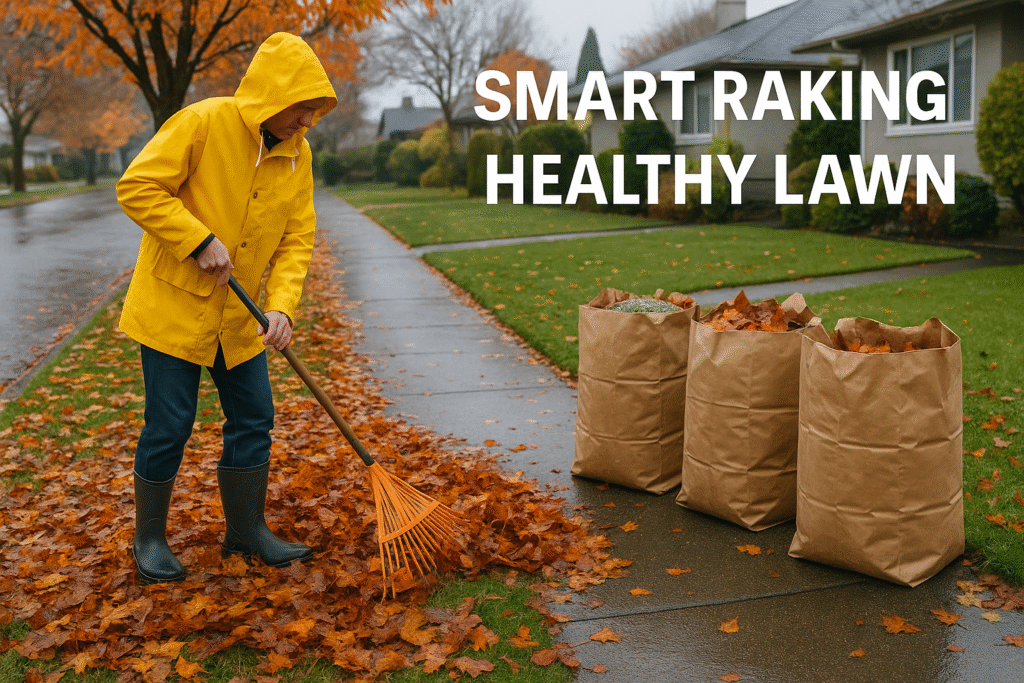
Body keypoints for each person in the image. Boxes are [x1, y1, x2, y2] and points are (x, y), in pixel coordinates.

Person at [116, 32, 337, 584]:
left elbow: (297, 238)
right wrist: (196, 239)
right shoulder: (203, 122)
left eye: (315, 111)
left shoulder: (296, 154)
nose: (307, 121)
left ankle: (246, 531)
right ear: (273, 95)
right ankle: (149, 539)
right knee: (170, 423)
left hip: (241, 317)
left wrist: (283, 307)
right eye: (302, 108)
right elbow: (138, 186)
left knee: (254, 417)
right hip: (174, 307)